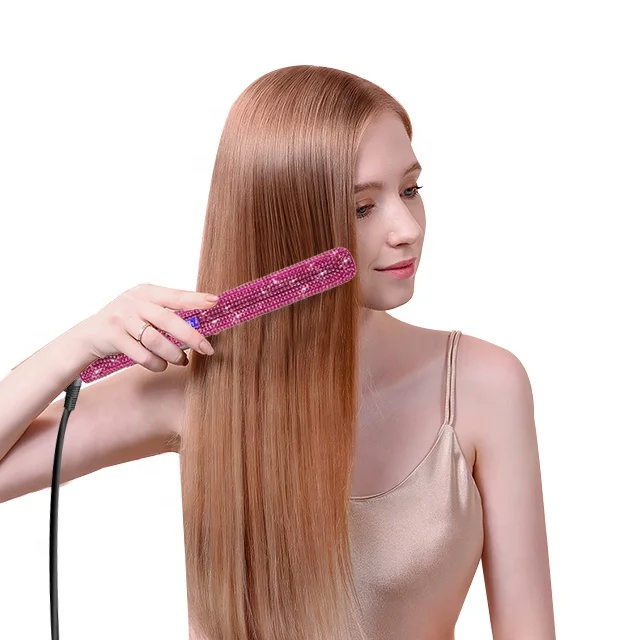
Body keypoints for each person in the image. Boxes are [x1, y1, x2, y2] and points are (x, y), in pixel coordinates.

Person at [0, 65, 555, 639]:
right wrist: (78, 345)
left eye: (410, 190)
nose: (407, 229)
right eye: (363, 207)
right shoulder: (198, 390)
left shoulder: (484, 386)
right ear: (285, 224)